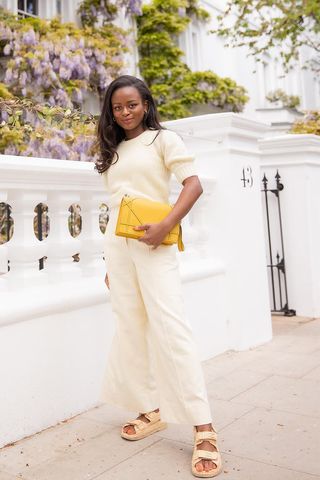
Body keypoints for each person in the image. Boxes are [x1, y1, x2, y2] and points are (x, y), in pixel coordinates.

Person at [96, 74, 222, 478]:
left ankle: (204, 427)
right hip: (119, 249)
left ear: (146, 104)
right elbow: (115, 206)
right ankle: (150, 409)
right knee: (130, 328)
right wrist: (109, 264)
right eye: (117, 107)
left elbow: (193, 184)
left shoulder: (165, 140)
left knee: (171, 328)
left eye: (132, 104)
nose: (125, 112)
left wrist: (166, 225)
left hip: (156, 243)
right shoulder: (112, 150)